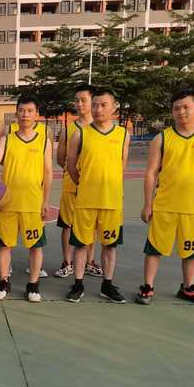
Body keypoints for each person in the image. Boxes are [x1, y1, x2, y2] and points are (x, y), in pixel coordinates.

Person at [138, 89, 194, 305]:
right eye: (176, 108)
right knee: (154, 248)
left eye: (186, 107)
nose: (181, 111)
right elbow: (151, 173)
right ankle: (147, 287)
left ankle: (188, 287)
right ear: (172, 112)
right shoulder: (162, 138)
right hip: (164, 205)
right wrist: (148, 203)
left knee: (192, 250)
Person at [0, 95, 52, 302]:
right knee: (5, 244)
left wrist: (46, 200)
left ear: (36, 114)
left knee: (35, 246)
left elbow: (48, 171)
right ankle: (4, 281)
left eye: (30, 111)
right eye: (21, 110)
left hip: (32, 203)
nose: (25, 115)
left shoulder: (43, 140)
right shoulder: (7, 139)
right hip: (8, 204)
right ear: (16, 113)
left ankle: (33, 284)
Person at [65, 88, 130, 303]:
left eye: (103, 105)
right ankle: (78, 284)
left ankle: (107, 285)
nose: (98, 109)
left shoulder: (123, 135)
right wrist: (84, 184)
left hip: (111, 201)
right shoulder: (80, 134)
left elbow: (121, 166)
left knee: (110, 245)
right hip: (86, 201)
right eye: (95, 105)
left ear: (114, 107)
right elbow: (71, 166)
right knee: (81, 244)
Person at [55, 85, 103, 279]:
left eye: (84, 100)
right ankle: (67, 262)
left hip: (93, 187)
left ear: (93, 101)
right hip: (71, 185)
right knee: (67, 225)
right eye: (76, 100)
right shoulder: (69, 130)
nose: (79, 104)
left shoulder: (101, 129)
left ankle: (89, 261)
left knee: (91, 225)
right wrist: (74, 173)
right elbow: (61, 159)